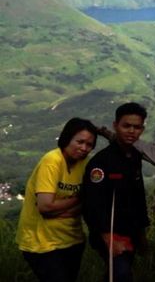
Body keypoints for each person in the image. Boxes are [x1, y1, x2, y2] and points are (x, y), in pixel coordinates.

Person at [16, 118, 98, 282]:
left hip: (72, 239)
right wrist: (78, 198)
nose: (84, 148)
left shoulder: (85, 164)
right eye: (80, 142)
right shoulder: (52, 161)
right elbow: (45, 207)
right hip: (42, 243)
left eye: (89, 145)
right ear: (67, 138)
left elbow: (88, 202)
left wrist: (61, 209)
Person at [82, 102, 150, 282]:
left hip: (131, 230)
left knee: (117, 274)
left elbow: (138, 196)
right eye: (126, 125)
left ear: (142, 129)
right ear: (115, 126)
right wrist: (108, 239)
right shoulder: (101, 163)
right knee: (121, 274)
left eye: (136, 127)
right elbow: (91, 204)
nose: (131, 131)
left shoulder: (135, 156)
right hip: (110, 233)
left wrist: (142, 235)